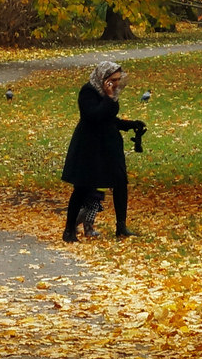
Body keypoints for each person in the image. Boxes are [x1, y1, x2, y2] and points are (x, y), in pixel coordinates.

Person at [61, 60, 144, 241]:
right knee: (83, 186)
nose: (115, 84)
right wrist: (107, 96)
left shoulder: (111, 93)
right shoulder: (88, 92)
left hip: (109, 145)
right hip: (90, 146)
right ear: (103, 78)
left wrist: (129, 125)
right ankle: (69, 230)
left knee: (120, 182)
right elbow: (94, 116)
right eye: (112, 80)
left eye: (117, 80)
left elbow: (109, 117)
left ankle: (121, 226)